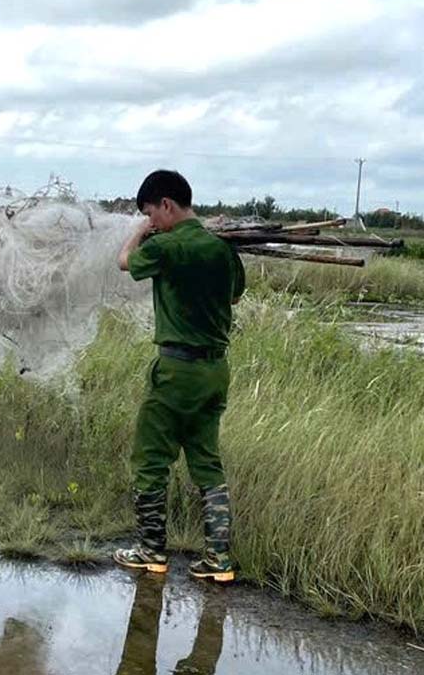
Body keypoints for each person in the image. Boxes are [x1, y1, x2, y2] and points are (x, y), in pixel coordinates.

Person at [113, 170, 245, 582]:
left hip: (176, 370)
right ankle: (218, 561)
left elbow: (124, 262)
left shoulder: (166, 246)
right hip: (214, 371)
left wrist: (138, 232)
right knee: (207, 461)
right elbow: (235, 294)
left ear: (167, 205)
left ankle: (151, 552)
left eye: (151, 213)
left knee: (151, 459)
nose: (150, 221)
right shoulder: (223, 249)